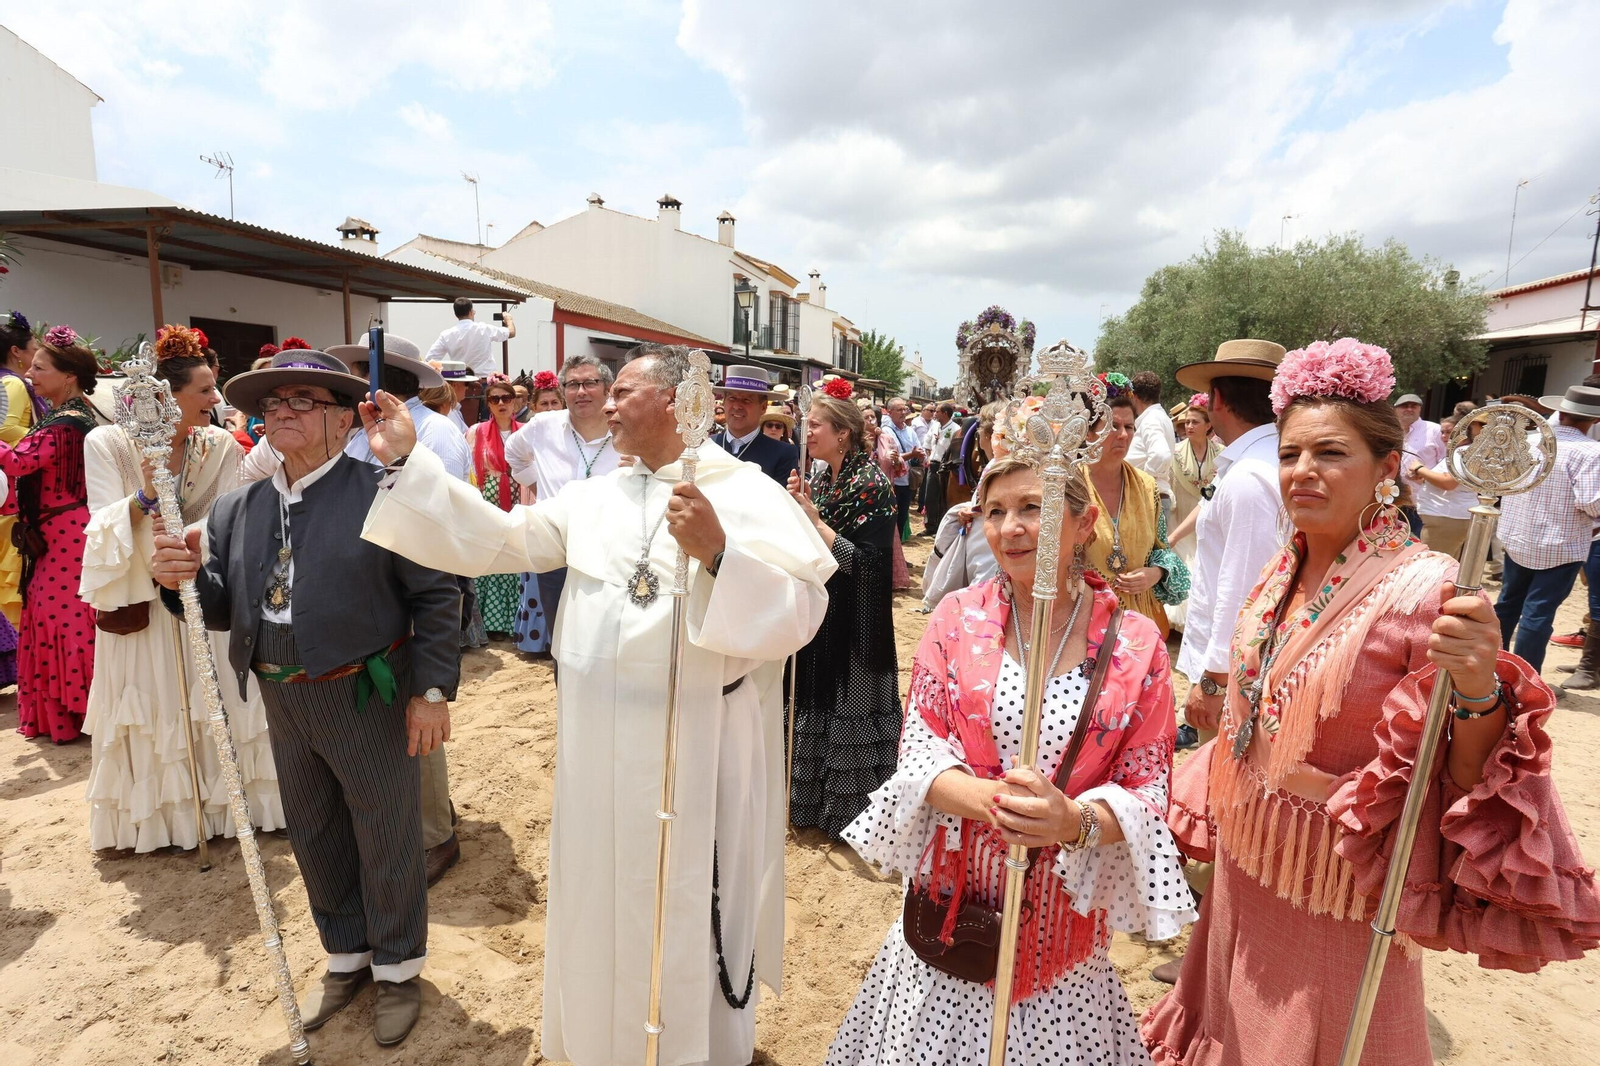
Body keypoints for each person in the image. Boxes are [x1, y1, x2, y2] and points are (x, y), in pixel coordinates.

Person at [358, 342, 835, 1066]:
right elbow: (499, 540)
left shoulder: (741, 492)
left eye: (624, 392)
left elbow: (801, 613)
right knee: (603, 896)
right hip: (598, 744)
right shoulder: (592, 497)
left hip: (698, 743)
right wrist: (406, 464)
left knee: (682, 901)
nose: (604, 405)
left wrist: (718, 555)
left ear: (676, 401)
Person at [1143, 337, 1600, 1066]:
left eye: (1330, 454)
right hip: (1248, 862)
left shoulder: (1428, 591)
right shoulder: (1284, 566)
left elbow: (1461, 772)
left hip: (1336, 886)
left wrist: (1479, 687)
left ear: (1388, 469)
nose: (1302, 472)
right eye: (1291, 454)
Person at [830, 451, 1194, 1066]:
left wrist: (1070, 822)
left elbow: (1148, 786)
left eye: (1034, 507)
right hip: (954, 916)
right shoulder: (956, 619)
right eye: (996, 511)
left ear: (1084, 524)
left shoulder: (1137, 644)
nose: (1011, 526)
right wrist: (1005, 807)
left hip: (1061, 933)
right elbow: (920, 750)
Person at [149, 349, 460, 1047]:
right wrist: (178, 583)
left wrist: (432, 691)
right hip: (279, 690)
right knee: (313, 828)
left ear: (344, 416)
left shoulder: (384, 491)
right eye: (272, 403)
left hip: (365, 689)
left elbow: (438, 595)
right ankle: (346, 956)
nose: (281, 413)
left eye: (302, 400)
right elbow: (223, 608)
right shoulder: (238, 508)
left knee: (384, 831)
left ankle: (398, 968)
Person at [80, 324, 286, 850]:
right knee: (155, 705)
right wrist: (146, 497)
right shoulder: (105, 443)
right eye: (204, 390)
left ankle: (231, 811)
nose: (215, 399)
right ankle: (167, 820)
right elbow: (99, 522)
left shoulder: (219, 444)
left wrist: (195, 558)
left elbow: (230, 517)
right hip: (142, 605)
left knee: (215, 698)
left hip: (200, 594)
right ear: (164, 397)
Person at [330, 334, 469, 885]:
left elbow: (450, 516)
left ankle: (436, 833)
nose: (360, 378)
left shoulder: (435, 433)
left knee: (419, 705)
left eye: (368, 368)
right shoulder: (356, 430)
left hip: (417, 581)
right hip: (367, 586)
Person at [786, 384, 901, 839]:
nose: (806, 431)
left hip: (857, 622)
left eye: (814, 425)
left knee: (847, 708)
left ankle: (849, 817)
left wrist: (816, 522)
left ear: (843, 434)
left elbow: (871, 565)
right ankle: (812, 805)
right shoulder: (830, 478)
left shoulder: (871, 485)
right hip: (825, 614)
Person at [1, 325, 98, 742]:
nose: (31, 375)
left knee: (64, 620)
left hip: (66, 535)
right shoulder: (66, 417)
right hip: (61, 531)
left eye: (40, 368)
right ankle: (74, 712)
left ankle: (80, 713)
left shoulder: (64, 423)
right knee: (56, 617)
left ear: (68, 376)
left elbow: (19, 463)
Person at [504, 353, 622, 648]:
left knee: (606, 639)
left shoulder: (625, 430)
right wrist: (534, 480)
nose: (580, 392)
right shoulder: (543, 426)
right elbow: (513, 453)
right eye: (572, 385)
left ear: (607, 388)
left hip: (610, 554)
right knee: (561, 642)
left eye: (589, 383)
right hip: (556, 553)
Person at [1492, 383, 1600, 673]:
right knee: (1537, 614)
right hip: (1561, 546)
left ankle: (1491, 667)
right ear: (1595, 420)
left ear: (1561, 412)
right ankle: (1524, 679)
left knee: (1507, 604)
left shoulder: (1528, 443)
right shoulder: (1591, 453)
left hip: (1518, 537)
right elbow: (1593, 503)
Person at [1081, 392, 1188, 640]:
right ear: (1087, 433)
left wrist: (1156, 572)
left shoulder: (1147, 486)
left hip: (1140, 621)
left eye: (1129, 427)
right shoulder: (1069, 487)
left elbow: (1161, 549)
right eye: (1112, 426)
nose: (1123, 435)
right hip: (1084, 618)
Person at [0, 309, 44, 686]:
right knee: (13, 569)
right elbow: (8, 426)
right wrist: (45, 442)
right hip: (14, 484)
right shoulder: (14, 384)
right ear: (17, 352)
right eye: (34, 349)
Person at [466, 374, 527, 640]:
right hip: (488, 495)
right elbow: (470, 468)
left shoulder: (525, 430)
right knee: (490, 554)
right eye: (495, 399)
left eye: (506, 398)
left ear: (515, 402)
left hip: (517, 493)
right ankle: (491, 621)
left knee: (515, 552)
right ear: (488, 403)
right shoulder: (476, 432)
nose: (501, 403)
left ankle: (513, 619)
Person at [510, 371, 565, 657]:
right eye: (544, 404)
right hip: (536, 505)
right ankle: (536, 641)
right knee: (539, 581)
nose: (549, 409)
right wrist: (534, 481)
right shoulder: (532, 431)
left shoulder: (569, 431)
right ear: (534, 407)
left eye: (555, 403)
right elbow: (514, 457)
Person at [1167, 395, 1216, 634]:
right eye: (1187, 422)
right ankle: (1181, 624)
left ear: (1208, 425)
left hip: (1209, 520)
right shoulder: (1174, 452)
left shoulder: (1222, 452)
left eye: (1195, 422)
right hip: (1181, 515)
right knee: (1186, 565)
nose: (1189, 426)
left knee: (1203, 567)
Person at [711, 364, 798, 484]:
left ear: (763, 407)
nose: (737, 406)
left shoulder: (782, 454)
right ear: (724, 402)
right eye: (731, 398)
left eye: (746, 400)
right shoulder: (708, 446)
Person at [863, 404, 912, 590]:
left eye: (872, 417)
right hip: (863, 496)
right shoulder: (855, 441)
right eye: (866, 418)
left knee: (888, 536)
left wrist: (896, 460)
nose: (870, 421)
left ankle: (890, 579)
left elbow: (900, 467)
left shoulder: (886, 438)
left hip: (885, 495)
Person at [1127, 369, 1177, 529]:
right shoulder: (1158, 417)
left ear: (1134, 397)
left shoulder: (1151, 420)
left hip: (1149, 499)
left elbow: (1161, 455)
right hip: (1153, 499)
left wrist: (1144, 481)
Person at [1394, 391, 1443, 538]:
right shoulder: (1391, 431)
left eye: (1413, 405)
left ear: (1420, 409)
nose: (1409, 409)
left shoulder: (1435, 430)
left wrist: (1425, 475)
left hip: (1423, 502)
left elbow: (1445, 462)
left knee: (1421, 545)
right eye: (1404, 406)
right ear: (1395, 409)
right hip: (1396, 501)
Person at [427, 296, 515, 378]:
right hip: (485, 380)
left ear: (455, 314)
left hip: (461, 380)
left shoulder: (446, 334)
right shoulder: (484, 329)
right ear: (470, 312)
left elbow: (430, 359)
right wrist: (509, 320)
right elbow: (511, 333)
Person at [883, 398, 922, 541]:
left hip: (906, 483)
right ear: (890, 412)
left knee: (902, 518)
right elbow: (890, 457)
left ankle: (898, 557)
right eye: (899, 410)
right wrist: (911, 454)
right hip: (892, 483)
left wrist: (921, 455)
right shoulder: (886, 432)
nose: (903, 413)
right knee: (890, 520)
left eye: (904, 409)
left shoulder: (910, 431)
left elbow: (918, 449)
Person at [922, 402, 962, 533]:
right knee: (930, 497)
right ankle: (930, 525)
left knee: (942, 497)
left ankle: (940, 527)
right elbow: (927, 444)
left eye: (937, 411)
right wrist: (928, 457)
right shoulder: (934, 426)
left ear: (945, 413)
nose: (935, 414)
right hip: (932, 465)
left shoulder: (955, 429)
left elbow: (955, 450)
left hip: (945, 467)